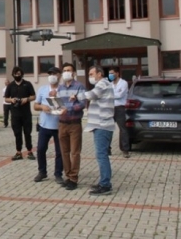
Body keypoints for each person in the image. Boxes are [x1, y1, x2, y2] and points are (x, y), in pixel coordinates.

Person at [80, 65, 115, 195]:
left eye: (91, 74)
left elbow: (91, 95)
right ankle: (103, 182)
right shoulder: (103, 84)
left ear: (99, 74)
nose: (90, 77)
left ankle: (105, 185)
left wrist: (76, 96)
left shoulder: (103, 84)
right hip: (100, 125)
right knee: (101, 155)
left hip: (102, 126)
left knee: (101, 155)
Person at [56, 62, 86, 190]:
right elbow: (58, 104)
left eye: (69, 70)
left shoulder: (79, 86)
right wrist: (55, 107)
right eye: (64, 70)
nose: (66, 72)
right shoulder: (60, 88)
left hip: (74, 124)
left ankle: (74, 178)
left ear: (73, 73)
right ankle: (67, 176)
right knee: (64, 152)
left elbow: (83, 103)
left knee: (75, 152)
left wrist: (69, 108)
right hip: (62, 123)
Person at [32, 66, 64, 184]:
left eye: (54, 74)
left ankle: (58, 174)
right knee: (40, 149)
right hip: (44, 125)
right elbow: (35, 106)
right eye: (50, 74)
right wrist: (42, 107)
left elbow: (64, 108)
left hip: (59, 125)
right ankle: (42, 171)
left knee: (59, 152)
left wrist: (54, 99)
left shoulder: (63, 89)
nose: (52, 76)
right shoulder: (42, 89)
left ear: (59, 75)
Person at [4, 67, 36, 161]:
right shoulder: (10, 85)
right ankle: (18, 152)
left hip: (26, 114)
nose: (17, 75)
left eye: (19, 74)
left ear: (22, 74)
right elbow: (6, 98)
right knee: (17, 133)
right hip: (15, 114)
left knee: (27, 133)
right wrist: (12, 100)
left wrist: (27, 99)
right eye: (15, 74)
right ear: (13, 75)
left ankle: (29, 151)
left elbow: (34, 96)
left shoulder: (27, 84)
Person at [109, 66, 130, 158]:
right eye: (109, 73)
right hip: (110, 108)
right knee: (108, 129)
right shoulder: (110, 84)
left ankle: (125, 150)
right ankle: (107, 149)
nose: (110, 75)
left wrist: (110, 95)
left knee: (123, 129)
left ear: (117, 73)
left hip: (120, 108)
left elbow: (120, 95)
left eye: (112, 73)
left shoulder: (123, 83)